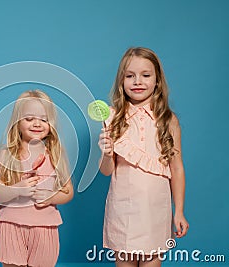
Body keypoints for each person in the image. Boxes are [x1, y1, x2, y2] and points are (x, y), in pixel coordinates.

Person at [98, 47, 189, 266]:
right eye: (130, 76)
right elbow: (106, 170)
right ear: (122, 81)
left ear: (157, 80)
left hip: (155, 209)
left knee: (152, 260)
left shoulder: (168, 120)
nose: (137, 81)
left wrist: (180, 211)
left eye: (146, 75)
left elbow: (176, 168)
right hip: (123, 207)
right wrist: (107, 153)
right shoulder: (112, 117)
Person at [0, 90, 74, 267]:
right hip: (11, 224)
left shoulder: (54, 154)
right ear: (17, 122)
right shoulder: (7, 154)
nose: (37, 124)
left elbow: (68, 192)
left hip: (45, 227)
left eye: (44, 119)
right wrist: (18, 189)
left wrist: (50, 197)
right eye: (29, 119)